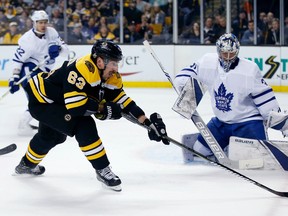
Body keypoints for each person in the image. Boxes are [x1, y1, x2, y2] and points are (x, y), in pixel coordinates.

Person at [14, 40, 169, 192]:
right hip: (43, 101)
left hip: (59, 101)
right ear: (100, 61)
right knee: (83, 125)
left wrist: (148, 124)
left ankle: (25, 165)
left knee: (50, 137)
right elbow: (75, 108)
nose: (116, 68)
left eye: (117, 63)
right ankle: (103, 170)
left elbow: (125, 104)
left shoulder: (111, 76)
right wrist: (102, 108)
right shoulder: (82, 69)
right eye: (113, 63)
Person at [174, 33, 288, 162]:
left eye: (231, 53)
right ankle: (229, 145)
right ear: (218, 51)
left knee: (257, 161)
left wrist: (284, 125)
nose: (228, 58)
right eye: (224, 53)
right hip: (221, 123)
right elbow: (186, 73)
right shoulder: (207, 62)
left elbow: (266, 101)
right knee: (199, 151)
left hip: (248, 122)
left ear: (237, 51)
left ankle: (233, 146)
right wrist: (182, 86)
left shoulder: (249, 70)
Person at [8, 10, 69, 135]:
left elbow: (67, 52)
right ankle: (23, 126)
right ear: (34, 23)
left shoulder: (52, 33)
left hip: (44, 70)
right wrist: (14, 78)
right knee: (38, 98)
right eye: (40, 22)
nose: (43, 25)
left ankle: (29, 123)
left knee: (44, 97)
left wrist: (59, 48)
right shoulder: (27, 40)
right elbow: (18, 60)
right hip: (29, 70)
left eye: (45, 22)